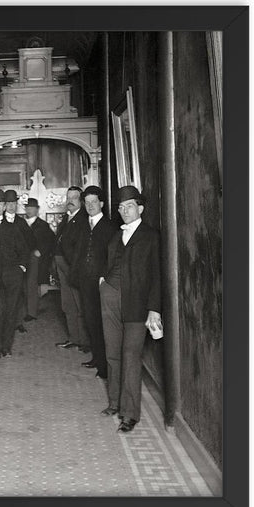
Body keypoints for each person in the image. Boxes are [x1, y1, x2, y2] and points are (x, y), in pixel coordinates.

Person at [99, 185, 162, 432]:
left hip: (137, 304)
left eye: (130, 206)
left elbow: (157, 276)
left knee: (131, 356)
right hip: (111, 297)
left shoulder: (150, 236)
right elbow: (109, 263)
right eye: (121, 207)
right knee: (112, 352)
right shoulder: (117, 235)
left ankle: (130, 413)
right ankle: (114, 402)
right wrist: (103, 282)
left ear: (140, 209)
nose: (125, 211)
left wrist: (154, 309)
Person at [70, 186, 115, 380]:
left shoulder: (110, 227)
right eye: (87, 203)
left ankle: (105, 366)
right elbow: (76, 249)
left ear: (102, 204)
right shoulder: (82, 225)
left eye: (93, 202)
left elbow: (113, 257)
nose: (90, 206)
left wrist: (105, 277)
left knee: (103, 324)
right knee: (91, 321)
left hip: (103, 283)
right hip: (85, 281)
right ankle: (97, 358)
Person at [0, 189, 28, 357]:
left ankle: (6, 346)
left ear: (5, 207)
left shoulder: (12, 228)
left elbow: (24, 250)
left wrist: (21, 267)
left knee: (11, 311)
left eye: (0, 204)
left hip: (12, 275)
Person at [54, 186, 90, 352]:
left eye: (74, 197)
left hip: (73, 266)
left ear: (81, 201)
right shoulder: (67, 218)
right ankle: (73, 338)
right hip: (62, 265)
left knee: (79, 303)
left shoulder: (83, 219)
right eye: (68, 197)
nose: (70, 200)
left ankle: (84, 341)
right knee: (67, 303)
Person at [1, 189, 34, 334]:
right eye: (8, 203)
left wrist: (23, 264)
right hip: (1, 266)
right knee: (2, 296)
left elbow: (30, 243)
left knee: (19, 294)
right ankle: (3, 322)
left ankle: (17, 322)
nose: (11, 206)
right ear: (4, 204)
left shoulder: (21, 223)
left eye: (14, 203)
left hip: (18, 266)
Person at [20, 197, 56, 322]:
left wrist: (40, 251)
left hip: (34, 260)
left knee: (31, 285)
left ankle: (32, 312)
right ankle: (26, 310)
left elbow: (51, 241)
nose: (29, 210)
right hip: (22, 258)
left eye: (32, 208)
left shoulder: (43, 225)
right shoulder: (22, 223)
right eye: (27, 207)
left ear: (37, 209)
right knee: (23, 285)